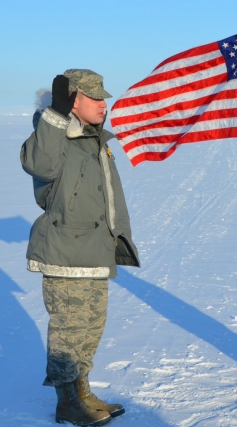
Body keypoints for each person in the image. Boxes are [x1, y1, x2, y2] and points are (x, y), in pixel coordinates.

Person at [21, 69, 140, 426]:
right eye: (96, 98)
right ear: (74, 101)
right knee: (68, 333)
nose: (105, 104)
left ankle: (82, 392)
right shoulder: (52, 140)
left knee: (90, 329)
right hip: (65, 253)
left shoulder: (94, 140)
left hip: (93, 251)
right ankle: (67, 402)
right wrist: (55, 115)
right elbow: (39, 164)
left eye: (105, 97)